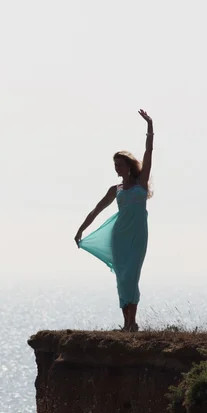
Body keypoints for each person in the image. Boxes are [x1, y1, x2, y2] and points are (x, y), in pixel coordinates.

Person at [74, 109, 153, 332]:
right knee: (121, 280)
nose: (116, 168)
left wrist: (150, 127)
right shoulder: (115, 189)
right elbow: (96, 210)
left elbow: (148, 153)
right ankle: (127, 324)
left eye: (119, 164)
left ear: (128, 165)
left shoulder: (141, 184)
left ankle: (132, 323)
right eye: (114, 165)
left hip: (137, 237)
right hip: (118, 236)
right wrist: (81, 229)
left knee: (131, 277)